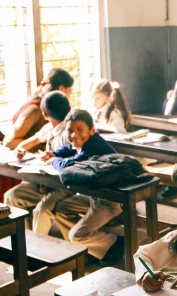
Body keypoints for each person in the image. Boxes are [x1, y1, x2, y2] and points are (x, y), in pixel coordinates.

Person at [51, 109, 124, 264]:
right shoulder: (86, 141)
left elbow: (66, 167)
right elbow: (68, 150)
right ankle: (89, 250)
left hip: (113, 200)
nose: (74, 135)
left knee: (75, 235)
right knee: (62, 209)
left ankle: (114, 245)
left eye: (80, 130)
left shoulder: (94, 147)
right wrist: (55, 154)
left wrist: (53, 160)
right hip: (96, 196)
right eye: (70, 130)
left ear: (92, 130)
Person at [3, 91, 72, 234]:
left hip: (62, 186)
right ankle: (24, 240)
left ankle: (38, 250)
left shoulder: (69, 132)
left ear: (45, 115)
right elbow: (33, 140)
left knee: (41, 210)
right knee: (11, 197)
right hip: (45, 181)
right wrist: (21, 149)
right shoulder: (49, 128)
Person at [0, 68, 74, 201]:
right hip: (36, 167)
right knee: (14, 196)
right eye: (70, 91)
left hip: (58, 174)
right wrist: (29, 152)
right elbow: (10, 142)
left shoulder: (68, 127)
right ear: (62, 89)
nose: (70, 96)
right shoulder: (36, 110)